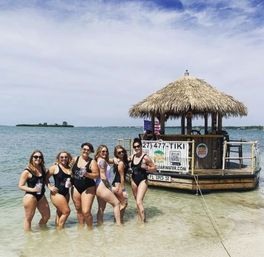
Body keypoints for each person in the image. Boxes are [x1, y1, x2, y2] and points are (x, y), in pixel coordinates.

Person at [18, 150, 50, 231]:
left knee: (46, 216)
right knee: (28, 218)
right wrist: (32, 189)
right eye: (35, 157)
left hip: (41, 195)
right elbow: (20, 186)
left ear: (42, 159)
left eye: (40, 157)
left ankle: (41, 230)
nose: (38, 158)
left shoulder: (43, 169)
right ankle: (29, 238)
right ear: (32, 158)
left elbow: (46, 178)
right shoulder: (27, 171)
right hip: (30, 196)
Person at [71, 142, 99, 229]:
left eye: (88, 150)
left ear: (90, 151)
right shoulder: (75, 159)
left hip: (88, 187)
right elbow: (67, 168)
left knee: (86, 211)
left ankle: (90, 229)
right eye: (84, 149)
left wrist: (87, 174)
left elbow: (96, 174)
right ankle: (81, 228)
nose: (86, 151)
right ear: (81, 150)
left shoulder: (92, 162)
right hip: (75, 186)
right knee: (78, 209)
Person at [130, 138, 156, 222]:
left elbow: (154, 168)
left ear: (141, 146)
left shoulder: (145, 158)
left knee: (138, 201)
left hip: (142, 181)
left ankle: (144, 223)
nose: (136, 148)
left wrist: (147, 167)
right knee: (137, 202)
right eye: (135, 147)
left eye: (138, 146)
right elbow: (123, 159)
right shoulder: (133, 156)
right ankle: (140, 218)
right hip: (133, 180)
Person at [95, 145, 121, 225]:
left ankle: (100, 227)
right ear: (99, 152)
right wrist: (111, 188)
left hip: (98, 186)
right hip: (103, 186)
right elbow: (103, 176)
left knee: (101, 208)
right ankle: (119, 226)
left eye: (106, 151)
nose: (105, 153)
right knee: (116, 203)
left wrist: (115, 159)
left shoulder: (99, 160)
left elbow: (109, 160)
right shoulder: (102, 161)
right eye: (103, 151)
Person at [46, 151, 72, 229]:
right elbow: (45, 178)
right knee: (67, 212)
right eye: (61, 157)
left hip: (66, 193)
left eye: (66, 157)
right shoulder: (55, 167)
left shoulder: (70, 168)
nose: (64, 158)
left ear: (68, 158)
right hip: (57, 193)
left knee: (60, 212)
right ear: (58, 158)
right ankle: (60, 230)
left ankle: (57, 231)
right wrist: (50, 187)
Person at [112, 145, 129, 223]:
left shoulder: (121, 160)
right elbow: (122, 177)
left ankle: (117, 220)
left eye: (122, 151)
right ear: (116, 154)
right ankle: (119, 221)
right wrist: (124, 190)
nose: (121, 153)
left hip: (116, 183)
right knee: (124, 203)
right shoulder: (121, 163)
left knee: (120, 203)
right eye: (119, 152)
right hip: (118, 183)